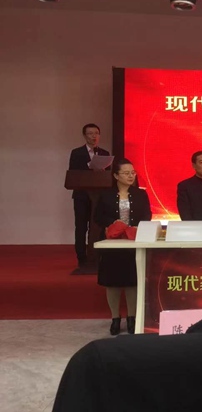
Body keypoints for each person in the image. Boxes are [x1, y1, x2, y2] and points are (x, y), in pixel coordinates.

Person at [94, 159, 152, 335]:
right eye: (126, 173)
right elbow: (98, 217)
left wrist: (134, 227)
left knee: (131, 281)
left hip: (133, 242)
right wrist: (114, 224)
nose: (130, 176)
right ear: (116, 176)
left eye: (132, 173)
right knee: (112, 282)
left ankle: (132, 317)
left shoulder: (140, 194)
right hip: (112, 243)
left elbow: (147, 215)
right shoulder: (106, 195)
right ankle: (115, 318)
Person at [68, 123, 110, 269]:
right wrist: (89, 169)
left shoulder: (104, 153)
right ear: (85, 136)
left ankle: (97, 256)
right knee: (81, 226)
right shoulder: (77, 153)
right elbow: (73, 174)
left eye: (96, 133)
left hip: (98, 196)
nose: (94, 136)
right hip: (81, 195)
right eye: (90, 133)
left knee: (98, 226)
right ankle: (81, 257)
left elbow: (109, 176)